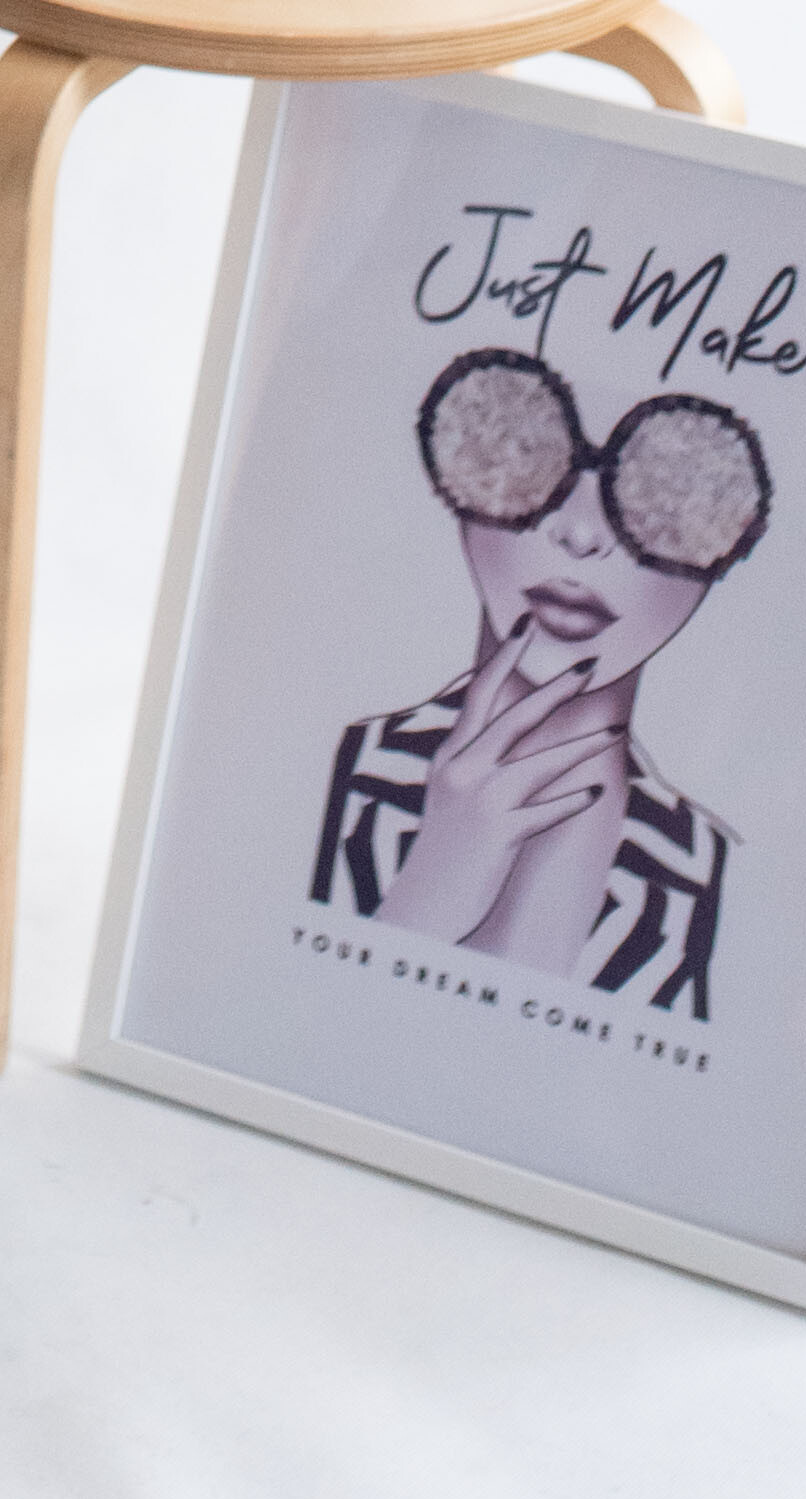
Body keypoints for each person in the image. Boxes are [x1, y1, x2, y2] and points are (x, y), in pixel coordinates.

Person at [312, 346, 774, 1018]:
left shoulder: (708, 872)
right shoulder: (339, 770)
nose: (582, 534)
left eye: (668, 490)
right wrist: (423, 902)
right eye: (518, 452)